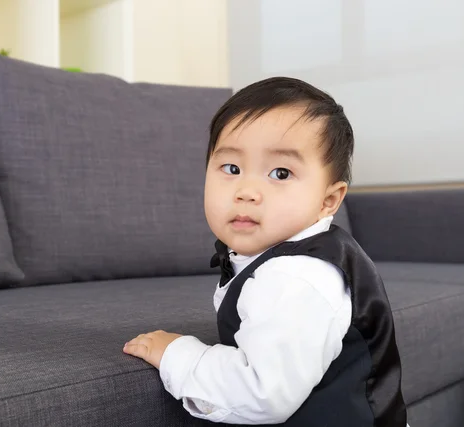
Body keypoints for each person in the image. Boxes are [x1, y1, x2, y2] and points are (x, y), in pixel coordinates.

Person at [123, 77, 408, 426]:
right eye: (231, 168)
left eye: (280, 172)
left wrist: (176, 354)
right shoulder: (282, 259)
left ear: (328, 201)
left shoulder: (296, 277)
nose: (247, 190)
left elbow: (261, 393)